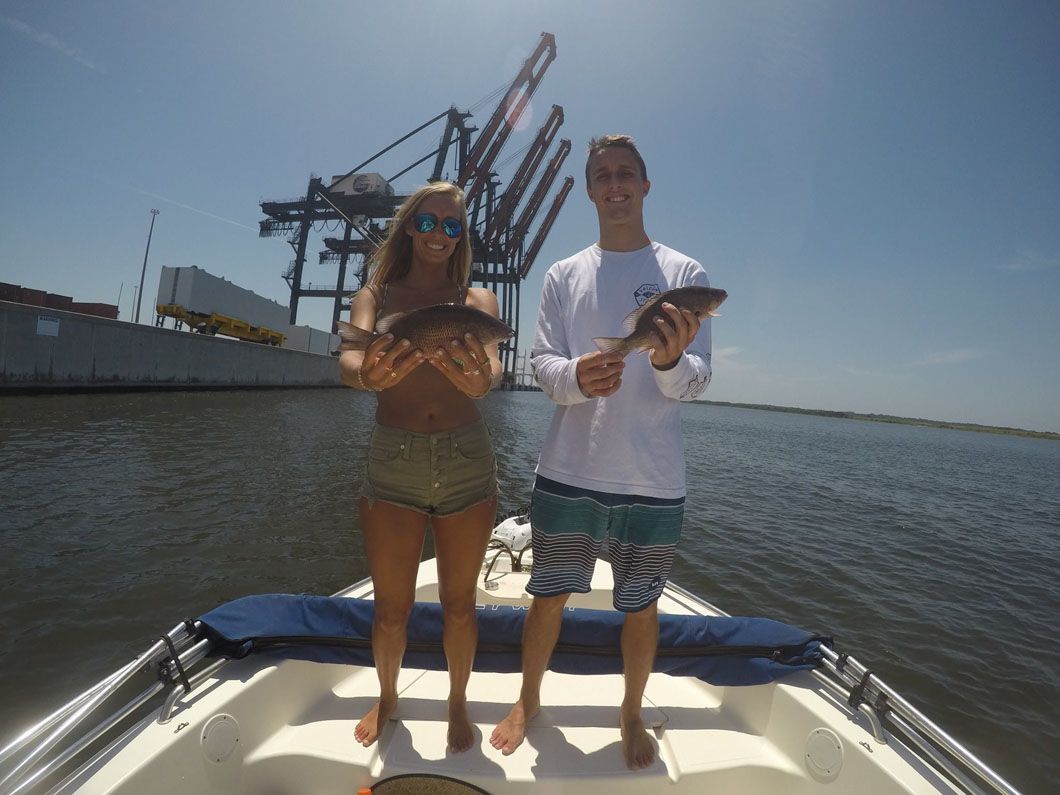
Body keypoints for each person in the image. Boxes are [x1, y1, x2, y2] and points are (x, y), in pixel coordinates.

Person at [490, 135, 715, 770]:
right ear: (590, 191)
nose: (614, 184)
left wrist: (669, 360)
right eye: (602, 175)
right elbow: (541, 364)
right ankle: (526, 700)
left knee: (640, 607)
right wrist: (574, 378)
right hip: (567, 471)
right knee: (548, 595)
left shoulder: (686, 275)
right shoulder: (563, 274)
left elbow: (696, 381)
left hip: (654, 480)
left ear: (646, 186)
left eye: (626, 174)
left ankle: (630, 711)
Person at [339, 181, 501, 753]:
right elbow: (350, 359)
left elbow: (492, 373)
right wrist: (368, 375)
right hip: (394, 456)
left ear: (462, 236)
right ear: (409, 226)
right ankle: (387, 697)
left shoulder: (478, 301)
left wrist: (479, 380)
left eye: (452, 226)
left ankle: (457, 701)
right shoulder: (375, 296)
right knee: (390, 610)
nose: (439, 234)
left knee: (460, 604)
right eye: (428, 222)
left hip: (465, 456)